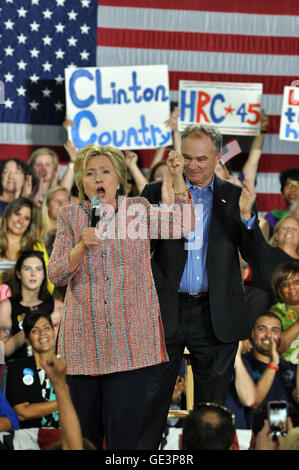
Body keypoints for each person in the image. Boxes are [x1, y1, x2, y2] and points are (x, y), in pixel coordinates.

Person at [47, 143, 194, 450]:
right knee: (83, 437)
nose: (98, 178)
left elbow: (184, 224)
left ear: (118, 178)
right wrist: (80, 248)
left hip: (130, 347)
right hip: (83, 346)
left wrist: (178, 178)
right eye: (90, 173)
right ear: (81, 181)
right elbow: (56, 275)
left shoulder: (136, 210)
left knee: (124, 440)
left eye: (105, 171)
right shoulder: (71, 217)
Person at [138, 122, 266, 449]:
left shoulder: (235, 196)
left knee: (211, 411)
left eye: (201, 159)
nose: (193, 165)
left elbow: (255, 254)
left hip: (216, 314)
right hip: (165, 310)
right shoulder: (155, 192)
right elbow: (137, 250)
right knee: (150, 401)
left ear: (218, 157)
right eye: (187, 158)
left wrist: (249, 219)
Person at [227, 312, 299, 430]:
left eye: (275, 330)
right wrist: (274, 363)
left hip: (288, 438)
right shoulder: (242, 365)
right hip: (253, 436)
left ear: (281, 335)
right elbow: (253, 402)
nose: (268, 335)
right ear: (252, 333)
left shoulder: (290, 368)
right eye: (262, 329)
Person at [5, 312, 60, 435]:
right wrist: (64, 402)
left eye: (46, 327)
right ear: (27, 340)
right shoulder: (17, 368)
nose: (42, 333)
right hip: (32, 437)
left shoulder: (69, 367)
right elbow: (23, 412)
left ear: (54, 332)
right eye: (35, 330)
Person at [0, 251, 55, 361]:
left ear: (44, 274)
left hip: (49, 370)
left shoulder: (55, 305)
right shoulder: (7, 306)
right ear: (19, 273)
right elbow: (3, 352)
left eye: (38, 269)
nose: (33, 274)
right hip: (17, 370)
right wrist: (31, 324)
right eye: (27, 269)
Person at [0, 198, 54, 293]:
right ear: (8, 215)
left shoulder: (37, 246)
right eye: (17, 214)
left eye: (26, 218)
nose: (20, 221)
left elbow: (49, 282)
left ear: (30, 223)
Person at [250, 215, 299, 302]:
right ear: (276, 235)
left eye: (294, 229)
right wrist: (247, 214)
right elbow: (250, 236)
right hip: (263, 311)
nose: (289, 230)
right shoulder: (264, 252)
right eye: (284, 228)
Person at [271, 262, 299, 364]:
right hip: (289, 371)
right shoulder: (275, 313)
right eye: (286, 284)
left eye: (296, 282)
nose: (292, 287)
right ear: (279, 290)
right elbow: (277, 347)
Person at [39, 186, 71, 256]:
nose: (61, 204)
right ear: (47, 204)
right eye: (56, 200)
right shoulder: (38, 231)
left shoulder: (76, 232)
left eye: (65, 200)